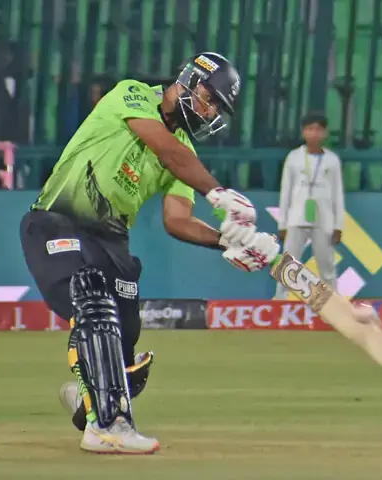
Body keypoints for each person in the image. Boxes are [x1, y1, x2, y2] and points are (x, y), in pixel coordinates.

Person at [19, 52, 281, 454]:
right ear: (190, 81)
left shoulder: (183, 148)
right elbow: (167, 152)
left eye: (218, 108)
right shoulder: (134, 95)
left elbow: (177, 219)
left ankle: (89, 402)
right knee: (91, 299)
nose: (211, 112)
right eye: (210, 99)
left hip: (112, 244)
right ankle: (107, 426)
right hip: (57, 221)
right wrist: (217, 192)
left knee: (125, 360)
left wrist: (227, 241)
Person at [274, 112, 345, 299]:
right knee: (288, 264)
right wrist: (282, 224)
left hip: (324, 219)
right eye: (310, 129)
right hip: (296, 217)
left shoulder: (332, 160)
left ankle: (335, 307)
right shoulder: (294, 157)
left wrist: (339, 225)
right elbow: (285, 192)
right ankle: (279, 305)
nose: (314, 134)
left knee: (327, 266)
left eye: (318, 130)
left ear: (325, 133)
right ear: (303, 132)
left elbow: (338, 193)